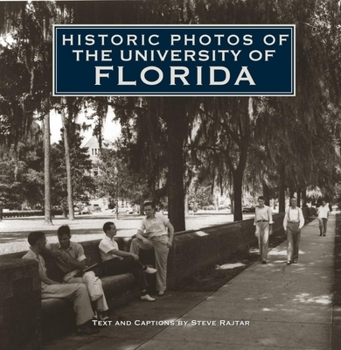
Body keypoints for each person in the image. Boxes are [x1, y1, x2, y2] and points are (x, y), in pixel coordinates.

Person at [22, 231, 98, 335]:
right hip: (43, 289)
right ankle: (83, 325)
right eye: (44, 240)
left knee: (80, 289)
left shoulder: (39, 256)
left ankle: (87, 321)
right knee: (81, 288)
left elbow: (49, 252)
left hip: (47, 287)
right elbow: (45, 280)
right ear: (39, 243)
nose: (46, 242)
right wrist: (61, 285)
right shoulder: (28, 258)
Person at [45, 225, 109, 320]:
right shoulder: (54, 247)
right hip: (69, 276)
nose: (62, 241)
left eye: (65, 239)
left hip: (82, 271)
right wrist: (51, 252)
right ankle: (100, 311)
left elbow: (83, 264)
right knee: (96, 282)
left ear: (70, 237)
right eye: (60, 239)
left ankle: (96, 312)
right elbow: (40, 247)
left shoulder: (77, 247)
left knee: (91, 278)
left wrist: (69, 260)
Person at [99, 221, 157, 301]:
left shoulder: (114, 242)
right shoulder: (103, 242)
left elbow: (119, 256)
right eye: (114, 228)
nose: (116, 230)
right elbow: (116, 252)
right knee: (132, 258)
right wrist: (131, 254)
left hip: (116, 263)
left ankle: (144, 293)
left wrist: (126, 259)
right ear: (107, 231)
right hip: (109, 267)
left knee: (136, 269)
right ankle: (144, 267)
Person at [130, 200, 174, 296]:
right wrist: (143, 239)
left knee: (161, 265)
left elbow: (171, 228)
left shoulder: (160, 217)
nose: (147, 212)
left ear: (154, 209)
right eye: (145, 210)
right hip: (151, 241)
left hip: (162, 241)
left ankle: (161, 288)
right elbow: (138, 234)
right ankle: (132, 262)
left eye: (149, 210)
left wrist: (170, 241)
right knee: (135, 242)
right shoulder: (144, 220)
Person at [283, 197, 305, 265]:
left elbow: (302, 219)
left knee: (296, 243)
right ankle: (289, 259)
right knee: (289, 243)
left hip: (297, 225)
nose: (293, 202)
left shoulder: (299, 210)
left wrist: (300, 227)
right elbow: (285, 218)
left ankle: (295, 258)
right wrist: (285, 228)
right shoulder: (288, 209)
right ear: (290, 202)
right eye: (292, 201)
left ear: (296, 202)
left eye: (294, 201)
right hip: (290, 225)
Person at [254, 196, 274, 264]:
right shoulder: (256, 208)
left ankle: (264, 258)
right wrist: (255, 230)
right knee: (260, 242)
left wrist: (271, 229)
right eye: (259, 201)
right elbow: (255, 218)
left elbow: (270, 218)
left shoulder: (267, 208)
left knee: (265, 241)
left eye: (262, 201)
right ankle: (261, 256)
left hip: (266, 223)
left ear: (264, 201)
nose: (260, 203)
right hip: (258, 224)